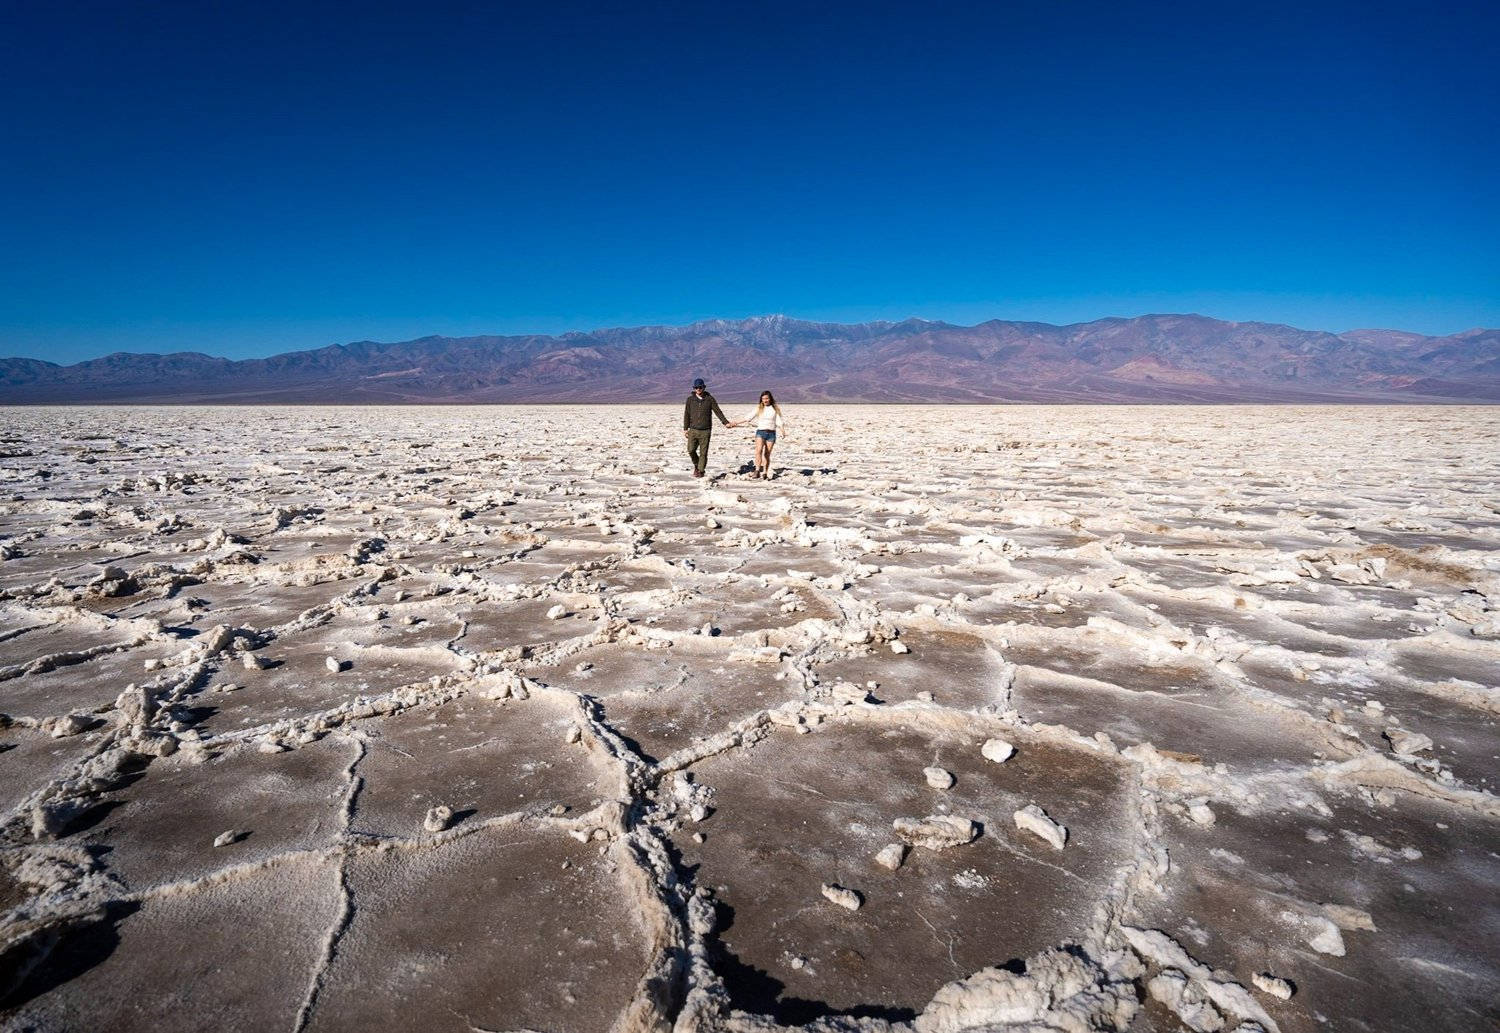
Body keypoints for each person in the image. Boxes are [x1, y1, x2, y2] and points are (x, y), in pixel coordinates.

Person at [730, 390, 786, 479]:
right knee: (758, 450)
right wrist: (735, 423)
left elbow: (779, 421)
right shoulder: (759, 408)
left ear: (770, 399)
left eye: (767, 398)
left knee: (767, 454)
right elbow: (748, 418)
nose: (765, 400)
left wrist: (783, 431)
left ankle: (765, 472)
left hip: (771, 434)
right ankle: (757, 470)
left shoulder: (775, 409)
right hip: (761, 432)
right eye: (763, 399)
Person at [682, 377, 730, 478]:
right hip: (693, 430)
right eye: (696, 387)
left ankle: (700, 470)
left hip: (705, 430)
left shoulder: (710, 399)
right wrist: (685, 428)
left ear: (704, 387)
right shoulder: (690, 400)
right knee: (691, 450)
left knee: (703, 453)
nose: (698, 389)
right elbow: (687, 414)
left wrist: (725, 422)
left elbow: (718, 411)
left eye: (700, 387)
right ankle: (697, 465)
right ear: (694, 388)